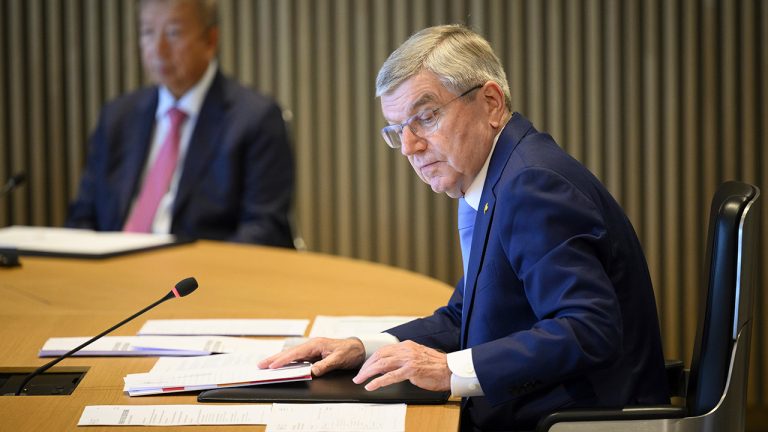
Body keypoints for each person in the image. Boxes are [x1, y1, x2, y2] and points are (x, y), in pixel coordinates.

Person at [260, 24, 670, 430]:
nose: (409, 147)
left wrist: (449, 369)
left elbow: (588, 328)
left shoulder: (532, 184)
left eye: (425, 117)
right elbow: (467, 316)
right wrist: (365, 348)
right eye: (397, 129)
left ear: (490, 103)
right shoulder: (492, 178)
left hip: (569, 419)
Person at [66, 0, 295, 248]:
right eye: (147, 32)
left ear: (210, 40)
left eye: (173, 33)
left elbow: (264, 230)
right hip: (113, 274)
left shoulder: (255, 119)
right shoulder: (118, 117)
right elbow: (82, 217)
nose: (158, 49)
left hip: (197, 279)